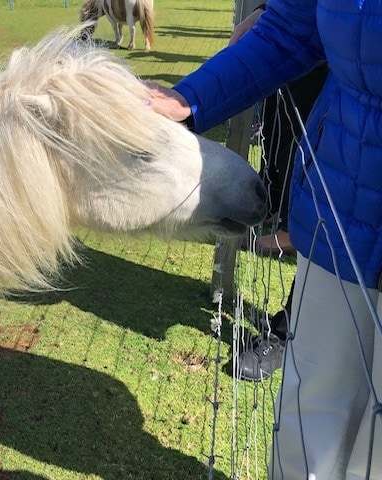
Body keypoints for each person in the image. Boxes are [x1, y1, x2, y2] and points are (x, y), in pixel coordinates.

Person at [145, 1, 382, 479]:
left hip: (338, 207)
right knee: (307, 419)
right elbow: (292, 26)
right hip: (337, 211)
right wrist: (189, 98)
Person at [229, 5, 329, 381]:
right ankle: (282, 218)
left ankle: (291, 330)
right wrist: (270, 10)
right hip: (320, 45)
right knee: (290, 138)